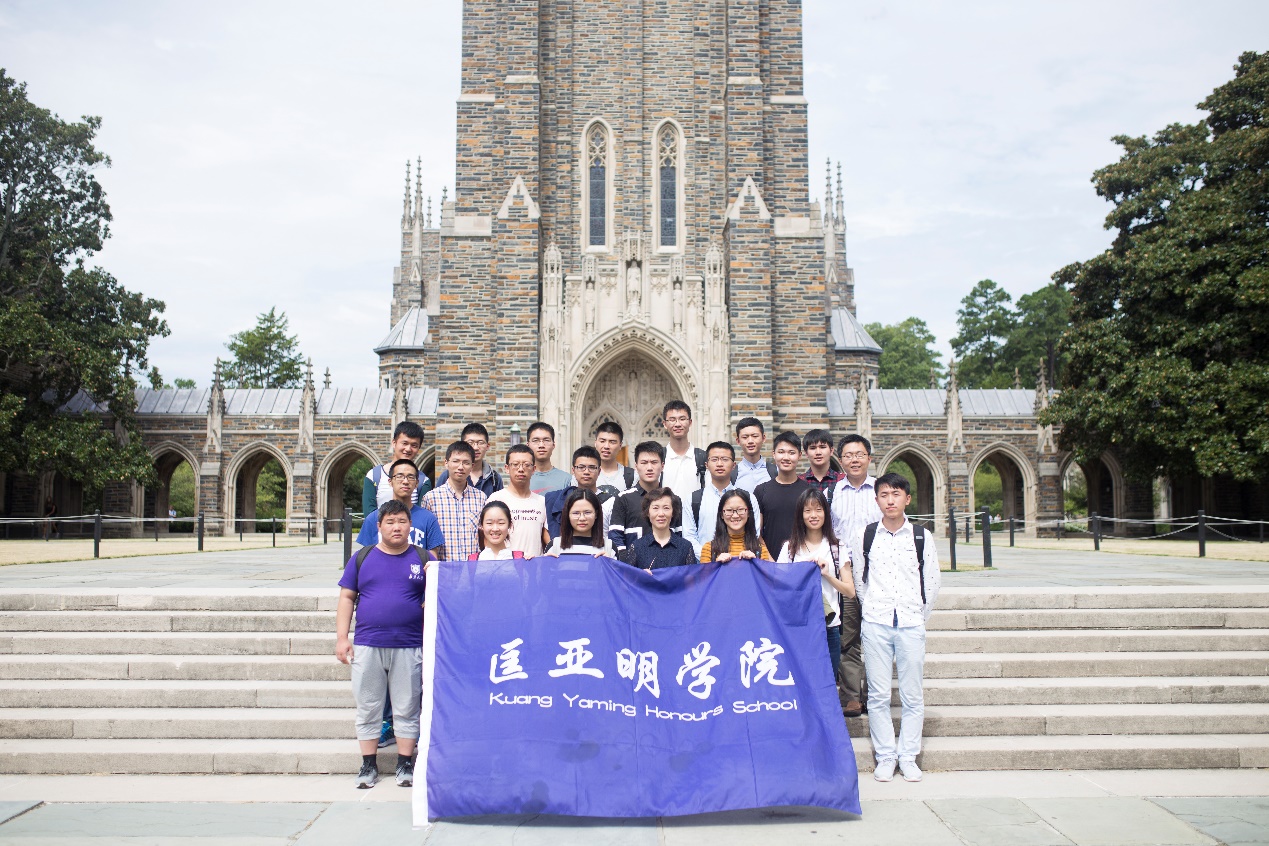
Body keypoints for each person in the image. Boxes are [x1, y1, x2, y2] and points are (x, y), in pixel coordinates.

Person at [851, 472, 940, 784]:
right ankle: (886, 756)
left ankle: (909, 756)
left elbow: (931, 581)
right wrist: (873, 609)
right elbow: (860, 580)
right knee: (877, 695)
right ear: (876, 500)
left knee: (912, 695)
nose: (890, 500)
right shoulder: (865, 535)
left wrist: (917, 614)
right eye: (884, 495)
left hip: (910, 623)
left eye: (896, 494)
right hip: (876, 621)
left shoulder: (921, 536)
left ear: (907, 499)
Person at [335, 500, 428, 789]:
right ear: (379, 526)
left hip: (410, 645)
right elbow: (347, 597)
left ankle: (405, 763)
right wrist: (342, 638)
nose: (396, 527)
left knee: (407, 707)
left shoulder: (423, 558)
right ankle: (368, 764)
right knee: (368, 706)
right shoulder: (362, 557)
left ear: (410, 525)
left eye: (402, 521)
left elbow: (438, 596)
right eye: (390, 522)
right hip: (368, 644)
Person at [776, 488, 856, 681]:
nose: (813, 515)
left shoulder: (837, 547)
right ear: (800, 515)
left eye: (818, 509)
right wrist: (800, 572)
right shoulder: (789, 548)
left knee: (827, 683)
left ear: (826, 514)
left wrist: (827, 575)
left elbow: (850, 591)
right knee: (799, 682)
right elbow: (779, 586)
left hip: (829, 627)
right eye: (808, 510)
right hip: (798, 626)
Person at [830, 433, 883, 719]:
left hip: (877, 574)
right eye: (848, 455)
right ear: (840, 460)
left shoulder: (881, 491)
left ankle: (875, 694)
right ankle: (851, 696)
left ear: (869, 458)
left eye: (859, 454)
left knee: (876, 636)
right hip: (846, 574)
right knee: (848, 637)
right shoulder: (833, 493)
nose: (854, 460)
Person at [608, 441, 686, 563]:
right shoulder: (623, 498)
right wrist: (628, 564)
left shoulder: (674, 500)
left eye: (654, 462)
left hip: (667, 568)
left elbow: (678, 535)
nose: (649, 468)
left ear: (662, 465)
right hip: (633, 569)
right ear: (636, 466)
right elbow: (615, 536)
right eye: (644, 463)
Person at [356, 459, 447, 558]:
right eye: (399, 476)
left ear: (417, 483)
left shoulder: (428, 519)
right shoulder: (373, 518)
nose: (405, 481)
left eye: (410, 477)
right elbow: (366, 556)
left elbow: (432, 558)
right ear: (390, 481)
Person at [688, 441, 762, 555]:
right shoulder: (694, 499)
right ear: (706, 465)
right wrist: (710, 557)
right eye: (714, 459)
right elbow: (689, 537)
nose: (719, 464)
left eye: (725, 459)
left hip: (742, 561)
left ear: (734, 465)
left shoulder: (749, 498)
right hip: (705, 563)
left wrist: (736, 558)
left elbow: (754, 532)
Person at [421, 441, 487, 561]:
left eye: (466, 463)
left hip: (472, 567)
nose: (460, 467)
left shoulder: (481, 498)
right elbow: (426, 537)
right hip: (444, 567)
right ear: (446, 463)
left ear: (472, 466)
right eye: (456, 461)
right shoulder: (431, 498)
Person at [753, 431, 812, 560]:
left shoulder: (809, 491)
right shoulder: (761, 491)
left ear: (800, 455)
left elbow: (814, 531)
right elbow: (756, 533)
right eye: (781, 452)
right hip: (769, 562)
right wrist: (769, 560)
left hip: (802, 561)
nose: (786, 457)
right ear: (774, 454)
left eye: (791, 453)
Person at [487, 444, 550, 557]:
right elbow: (486, 537)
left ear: (534, 469)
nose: (521, 469)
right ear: (507, 468)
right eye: (515, 464)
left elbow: (546, 539)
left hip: (534, 565)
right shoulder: (496, 499)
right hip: (505, 565)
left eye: (526, 465)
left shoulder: (542, 502)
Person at [544, 446, 616, 541]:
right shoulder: (560, 498)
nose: (586, 472)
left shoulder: (610, 502)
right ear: (573, 470)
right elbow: (547, 531)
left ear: (599, 471)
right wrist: (556, 547)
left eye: (592, 467)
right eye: (581, 467)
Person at [362, 421, 430, 515]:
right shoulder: (374, 476)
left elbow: (421, 515)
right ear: (394, 443)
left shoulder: (423, 481)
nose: (408, 449)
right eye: (404, 443)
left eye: (414, 445)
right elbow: (369, 515)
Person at [629, 487, 698, 570]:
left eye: (666, 508)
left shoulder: (685, 547)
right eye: (655, 508)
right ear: (648, 512)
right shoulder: (637, 547)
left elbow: (692, 577)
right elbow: (627, 577)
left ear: (673, 512)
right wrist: (640, 575)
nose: (661, 514)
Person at [700, 489, 771, 563]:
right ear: (721, 515)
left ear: (749, 513)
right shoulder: (709, 549)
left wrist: (756, 563)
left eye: (740, 509)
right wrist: (716, 564)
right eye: (729, 510)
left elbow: (765, 571)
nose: (735, 515)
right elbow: (704, 571)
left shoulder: (761, 550)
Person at [438, 423, 503, 497]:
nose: (475, 448)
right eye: (470, 442)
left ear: (487, 446)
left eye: (480, 443)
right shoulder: (448, 475)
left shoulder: (494, 478)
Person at [546, 489, 615, 557]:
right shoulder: (554, 546)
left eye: (587, 512)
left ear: (596, 514)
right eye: (576, 513)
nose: (582, 518)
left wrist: (609, 562)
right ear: (567, 515)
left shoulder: (609, 547)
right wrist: (545, 562)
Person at [660, 400, 705, 501]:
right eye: (672, 420)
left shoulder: (702, 458)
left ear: (690, 422)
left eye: (682, 419)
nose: (677, 424)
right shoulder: (659, 458)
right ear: (664, 424)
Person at [733, 416, 777, 493]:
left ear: (763, 438)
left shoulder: (776, 471)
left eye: (755, 436)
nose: (750, 441)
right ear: (738, 441)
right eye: (745, 437)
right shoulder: (732, 474)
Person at [527, 422, 572, 494]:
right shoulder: (521, 478)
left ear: (553, 445)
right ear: (528, 445)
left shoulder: (567, 480)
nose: (541, 445)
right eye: (536, 440)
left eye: (546, 440)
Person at [594, 421, 636, 496]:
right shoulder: (584, 474)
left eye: (612, 442)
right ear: (595, 443)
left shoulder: (633, 476)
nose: (606, 446)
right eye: (602, 441)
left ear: (620, 446)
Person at [800, 428, 841, 503]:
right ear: (806, 453)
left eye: (822, 447)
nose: (818, 452)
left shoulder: (842, 481)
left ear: (831, 451)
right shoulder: (799, 482)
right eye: (813, 448)